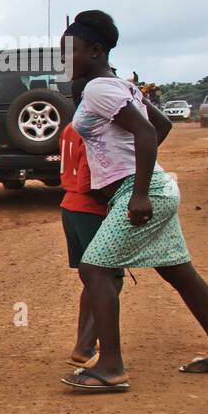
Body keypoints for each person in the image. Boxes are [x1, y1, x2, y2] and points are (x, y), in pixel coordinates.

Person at [61, 9, 208, 391]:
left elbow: (148, 132)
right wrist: (131, 173)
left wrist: (137, 188)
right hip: (148, 189)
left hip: (142, 193)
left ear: (97, 50)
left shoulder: (101, 88)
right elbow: (160, 125)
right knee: (179, 271)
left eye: (72, 52)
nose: (65, 60)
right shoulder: (115, 84)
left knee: (95, 269)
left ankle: (111, 367)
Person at [58, 92, 123, 367]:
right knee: (110, 278)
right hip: (89, 209)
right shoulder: (93, 129)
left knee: (94, 279)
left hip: (69, 206)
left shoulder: (71, 127)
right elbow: (90, 179)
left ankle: (85, 342)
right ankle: (85, 346)